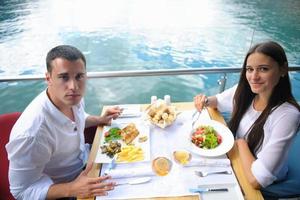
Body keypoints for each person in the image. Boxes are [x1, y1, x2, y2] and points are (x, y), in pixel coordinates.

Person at [6, 45, 122, 199]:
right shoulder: (32, 134)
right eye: (64, 77)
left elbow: (77, 120)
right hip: (64, 190)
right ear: (48, 78)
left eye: (79, 76)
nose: (73, 86)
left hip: (88, 166)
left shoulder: (71, 98)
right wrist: (72, 189)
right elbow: (21, 191)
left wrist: (99, 119)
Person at [194, 41, 300, 189]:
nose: (254, 77)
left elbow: (257, 180)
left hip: (264, 183)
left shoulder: (287, 115)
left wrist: (241, 142)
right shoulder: (248, 91)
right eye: (249, 69)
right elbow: (218, 100)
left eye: (263, 69)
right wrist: (205, 100)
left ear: (283, 69)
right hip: (238, 159)